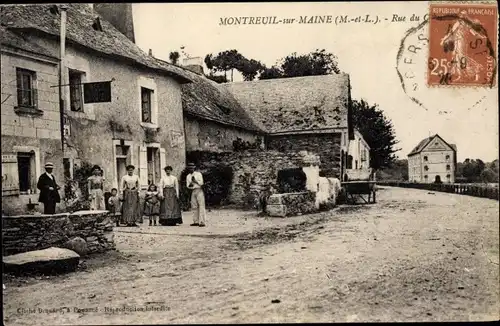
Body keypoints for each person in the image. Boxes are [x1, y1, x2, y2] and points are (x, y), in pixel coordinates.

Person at [186, 163, 206, 227]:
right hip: (193, 191)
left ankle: (202, 221)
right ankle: (196, 221)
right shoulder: (188, 176)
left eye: (192, 167)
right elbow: (188, 186)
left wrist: (195, 181)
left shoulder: (198, 174)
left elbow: (201, 183)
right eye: (189, 167)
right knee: (194, 206)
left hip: (199, 190)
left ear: (194, 167)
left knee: (201, 205)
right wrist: (190, 184)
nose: (191, 169)